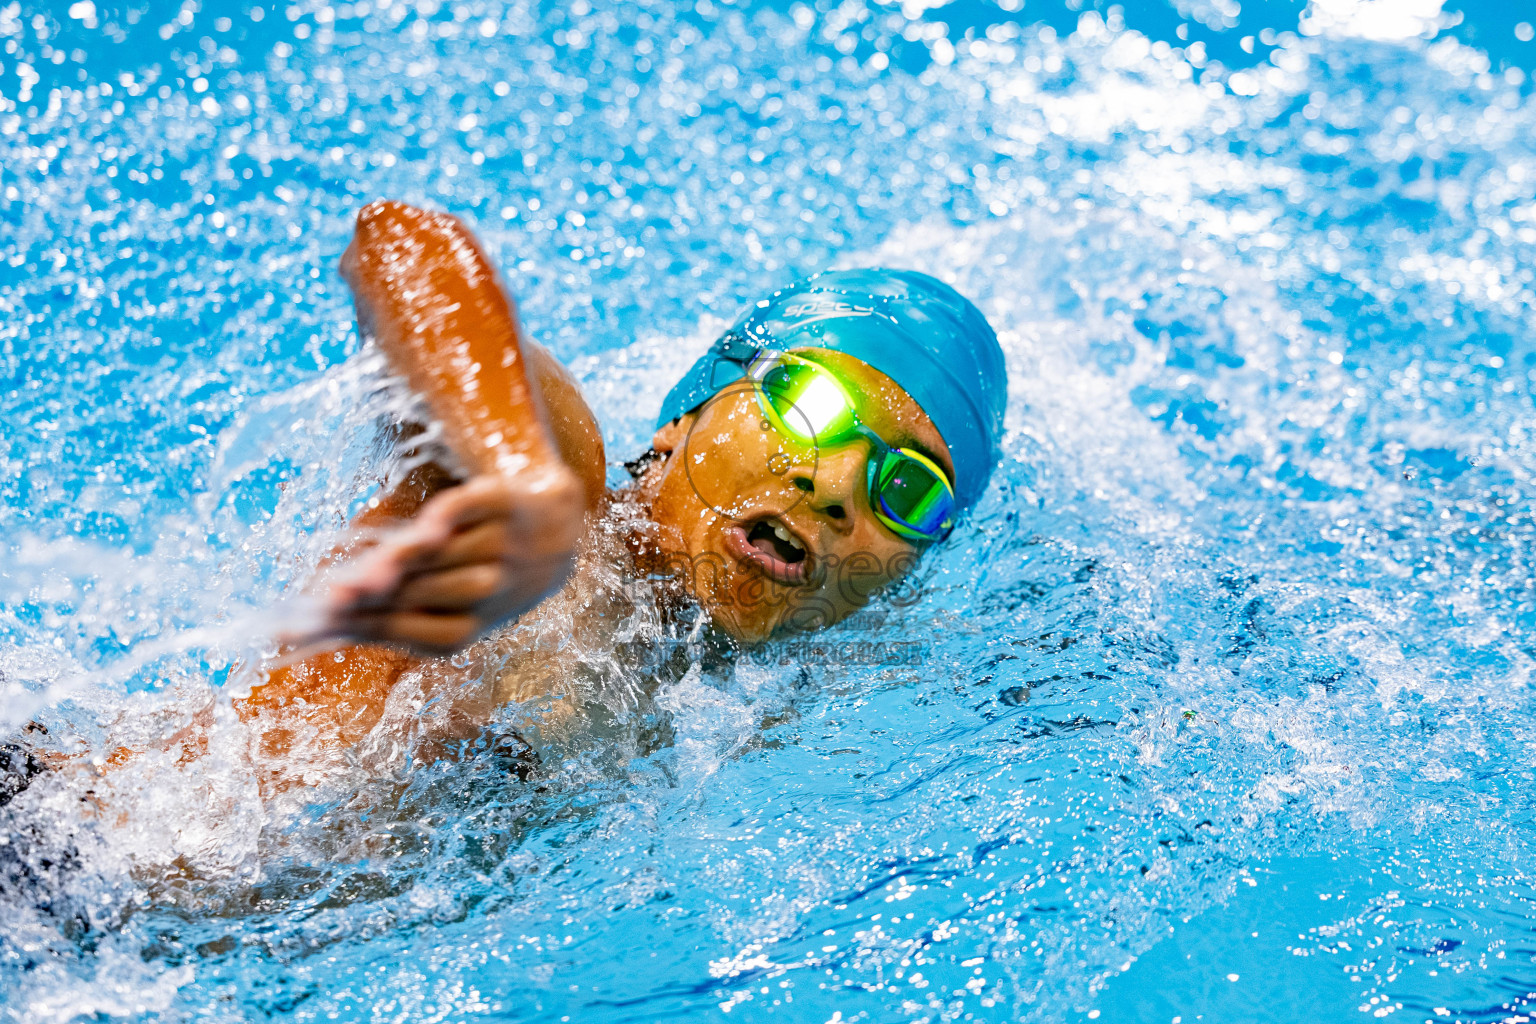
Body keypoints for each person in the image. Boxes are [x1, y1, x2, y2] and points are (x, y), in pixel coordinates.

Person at [9, 200, 1007, 783]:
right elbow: (401, 245)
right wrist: (521, 482)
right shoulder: (553, 495)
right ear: (685, 416)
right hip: (57, 859)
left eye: (906, 489)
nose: (837, 485)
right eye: (808, 402)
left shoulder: (741, 702)